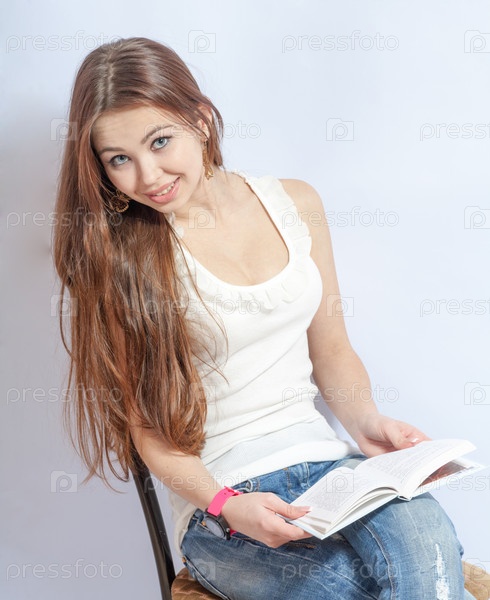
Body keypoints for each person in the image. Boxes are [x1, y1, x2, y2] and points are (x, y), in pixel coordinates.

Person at [53, 36, 474, 599]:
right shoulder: (121, 257)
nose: (148, 176)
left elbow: (332, 350)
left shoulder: (295, 204)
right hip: (225, 501)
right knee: (361, 589)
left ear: (201, 119)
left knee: (430, 550)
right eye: (119, 160)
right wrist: (227, 505)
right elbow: (148, 432)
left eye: (160, 141)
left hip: (333, 472)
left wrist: (369, 423)